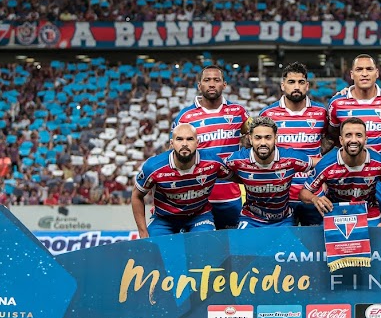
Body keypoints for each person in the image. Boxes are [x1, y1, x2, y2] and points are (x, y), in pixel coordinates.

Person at [327, 54, 381, 210]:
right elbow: (332, 137)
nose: (364, 73)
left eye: (369, 69)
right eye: (359, 69)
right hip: (349, 176)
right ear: (352, 74)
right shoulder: (337, 104)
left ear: (377, 73)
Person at [173, 65, 249, 229]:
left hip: (231, 195)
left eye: (216, 80)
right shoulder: (185, 117)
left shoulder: (238, 112)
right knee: (200, 242)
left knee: (234, 242)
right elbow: (174, 156)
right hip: (198, 197)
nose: (212, 84)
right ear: (199, 85)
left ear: (224, 84)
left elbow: (253, 138)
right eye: (207, 80)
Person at [259, 62, 332, 226]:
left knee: (316, 240)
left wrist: (326, 178)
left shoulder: (321, 113)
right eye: (291, 82)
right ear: (282, 85)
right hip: (280, 195)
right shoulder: (268, 114)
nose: (296, 87)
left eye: (301, 82)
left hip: (314, 192)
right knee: (282, 240)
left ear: (307, 86)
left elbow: (332, 140)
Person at [131, 123, 229, 237]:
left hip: (199, 216)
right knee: (156, 247)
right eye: (179, 139)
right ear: (172, 143)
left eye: (190, 139)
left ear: (197, 143)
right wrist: (143, 232)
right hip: (164, 219)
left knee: (204, 245)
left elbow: (237, 176)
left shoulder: (214, 162)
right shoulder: (153, 167)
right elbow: (136, 195)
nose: (184, 144)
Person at [299, 117, 381, 226]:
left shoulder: (379, 163)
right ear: (341, 140)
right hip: (336, 211)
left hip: (369, 213)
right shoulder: (326, 164)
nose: (353, 140)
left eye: (359, 135)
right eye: (348, 135)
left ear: (366, 139)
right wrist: (314, 199)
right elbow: (303, 193)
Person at [221, 116, 311, 228]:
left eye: (268, 138)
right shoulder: (237, 160)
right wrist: (239, 179)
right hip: (251, 219)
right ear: (250, 139)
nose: (263, 143)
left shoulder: (291, 158)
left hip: (283, 220)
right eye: (258, 138)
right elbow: (214, 168)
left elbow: (320, 164)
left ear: (275, 138)